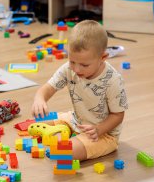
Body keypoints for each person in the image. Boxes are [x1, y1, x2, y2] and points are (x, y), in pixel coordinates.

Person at [32, 20, 128, 161]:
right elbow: (47, 88)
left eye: (84, 65)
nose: (76, 69)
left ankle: (64, 137)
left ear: (103, 57)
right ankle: (65, 132)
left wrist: (99, 130)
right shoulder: (69, 68)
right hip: (76, 120)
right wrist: (39, 99)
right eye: (72, 61)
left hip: (103, 134)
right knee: (33, 127)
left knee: (60, 152)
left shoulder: (113, 80)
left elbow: (118, 115)